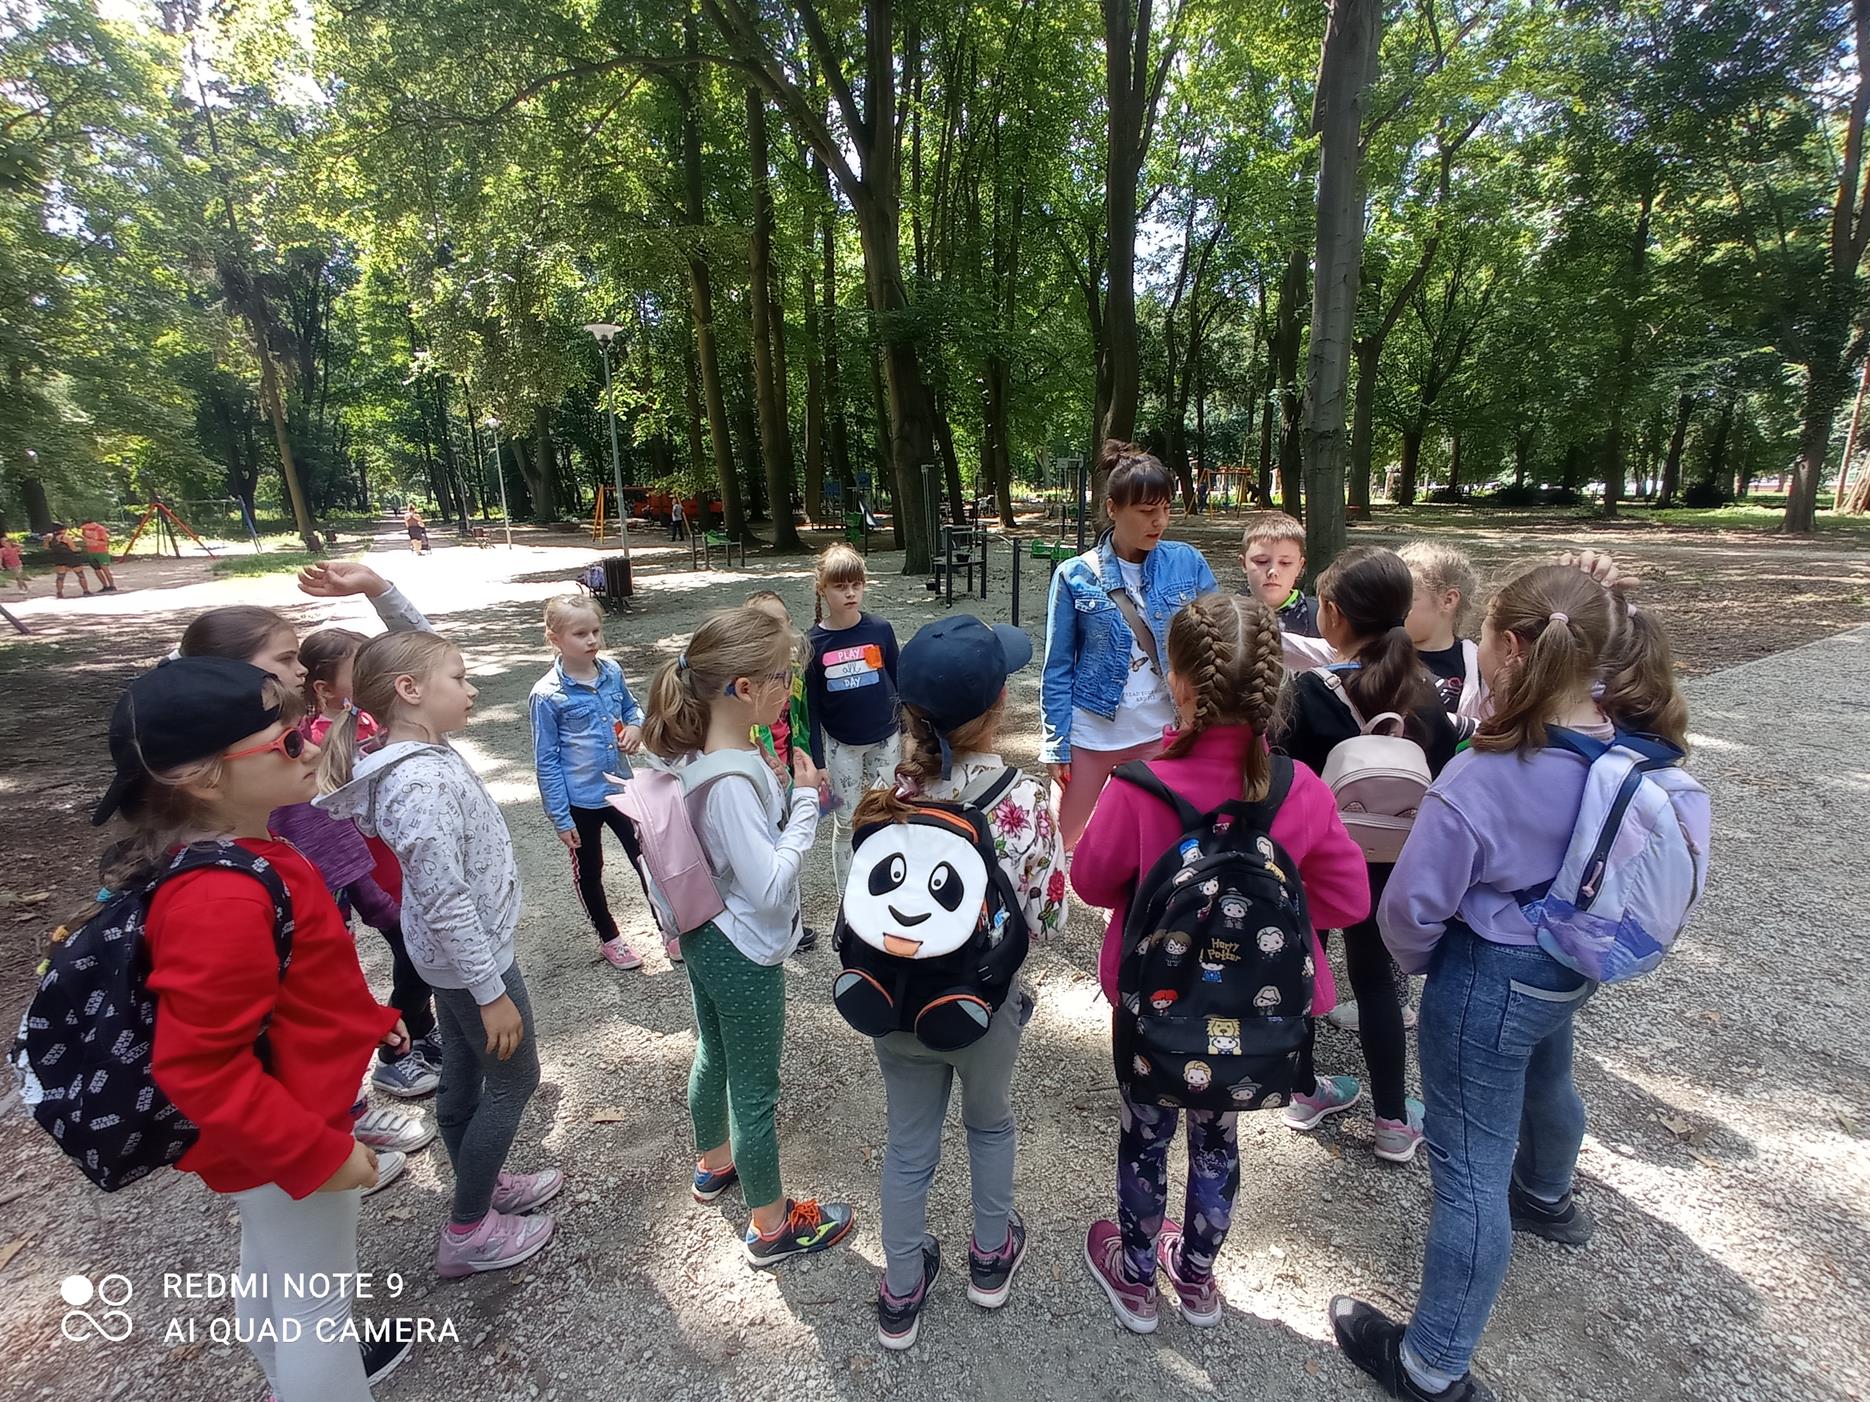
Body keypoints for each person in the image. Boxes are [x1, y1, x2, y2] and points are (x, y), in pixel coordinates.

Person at [1330, 560, 1701, 1402]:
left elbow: (1410, 909)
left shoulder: (1483, 776)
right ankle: (1546, 1194)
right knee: (1549, 1072)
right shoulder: (1624, 734)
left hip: (1488, 975)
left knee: (1468, 1168)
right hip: (1572, 956)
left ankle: (1431, 1366)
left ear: (1504, 649)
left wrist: (1433, 967)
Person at [97, 657, 412, 1399]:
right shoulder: (221, 897)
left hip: (273, 1128)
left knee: (275, 1271)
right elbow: (198, 1065)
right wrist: (316, 1154)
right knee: (317, 1307)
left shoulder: (247, 853)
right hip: (286, 1131)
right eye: (288, 740)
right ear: (205, 778)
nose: (312, 745)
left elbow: (290, 983)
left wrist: (367, 1023)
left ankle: (280, 1378)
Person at [1073, 593, 1368, 1332]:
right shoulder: (1300, 789)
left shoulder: (1139, 785)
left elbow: (1091, 881)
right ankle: (1198, 1277)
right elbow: (1348, 898)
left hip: (1153, 1005)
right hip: (1254, 1013)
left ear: (1177, 683)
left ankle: (1136, 1275)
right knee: (1218, 1139)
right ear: (1272, 688)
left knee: (1145, 1135)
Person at [320, 631, 561, 1279]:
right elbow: (446, 899)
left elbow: (414, 648)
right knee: (514, 1080)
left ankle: (480, 1183)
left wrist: (379, 589)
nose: (472, 688)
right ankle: (469, 1227)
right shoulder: (419, 784)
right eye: (459, 678)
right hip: (472, 963)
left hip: (448, 962)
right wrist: (491, 992)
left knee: (463, 1075)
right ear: (410, 691)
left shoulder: (420, 748)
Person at [855, 615, 1068, 1349]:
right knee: (991, 1124)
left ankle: (901, 1290)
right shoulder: (1023, 801)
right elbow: (1051, 920)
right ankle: (989, 1258)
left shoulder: (884, 794)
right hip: (984, 1005)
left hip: (894, 1002)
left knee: (908, 1146)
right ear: (998, 706)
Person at [179, 564, 442, 1121]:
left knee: (336, 984)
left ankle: (350, 1105)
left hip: (334, 887)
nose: (298, 670)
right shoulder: (246, 766)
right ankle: (341, 1114)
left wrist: (379, 590)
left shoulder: (313, 729)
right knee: (299, 1005)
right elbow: (207, 1058)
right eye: (285, 658)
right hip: (301, 895)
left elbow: (424, 655)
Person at [641, 606, 855, 1265]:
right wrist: (805, 803)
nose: (790, 687)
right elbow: (768, 885)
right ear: (743, 688)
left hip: (706, 933)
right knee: (755, 1092)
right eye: (782, 676)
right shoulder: (731, 779)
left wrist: (779, 788)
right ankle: (770, 1226)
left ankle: (714, 1163)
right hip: (743, 949)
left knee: (713, 1052)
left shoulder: (705, 755)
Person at [1275, 546, 1460, 1162]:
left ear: (1331, 614)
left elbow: (1285, 776)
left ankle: (1303, 1091)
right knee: (1376, 983)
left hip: (1314, 860)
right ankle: (1392, 1121)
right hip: (1389, 861)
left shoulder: (1310, 692)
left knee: (1305, 966)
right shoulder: (1426, 696)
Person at [1040, 440, 1218, 852]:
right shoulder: (1074, 575)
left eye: (1166, 508)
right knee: (1058, 842)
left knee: (1159, 843)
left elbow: (1215, 643)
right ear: (1112, 508)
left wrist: (1206, 719)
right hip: (1091, 734)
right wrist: (1055, 743)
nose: (1159, 521)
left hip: (1162, 731)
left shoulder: (1187, 562)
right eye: (1145, 510)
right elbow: (1058, 666)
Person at [301, 626, 442, 1098]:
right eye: (358, 668)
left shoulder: (369, 720)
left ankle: (421, 1034)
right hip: (378, 878)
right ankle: (394, 1056)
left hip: (404, 868)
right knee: (414, 963)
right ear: (324, 689)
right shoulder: (318, 742)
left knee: (423, 957)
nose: (371, 674)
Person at [528, 594, 658, 970]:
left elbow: (631, 707)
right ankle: (610, 937)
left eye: (596, 631)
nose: (591, 640)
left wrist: (635, 727)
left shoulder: (611, 671)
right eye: (580, 633)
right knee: (589, 870)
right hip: (580, 801)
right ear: (554, 638)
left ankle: (667, 923)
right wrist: (560, 816)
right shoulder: (547, 695)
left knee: (647, 858)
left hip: (621, 789)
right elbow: (546, 759)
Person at [805, 544, 901, 887]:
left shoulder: (880, 629)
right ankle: (846, 897)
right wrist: (818, 762)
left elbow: (898, 680)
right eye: (840, 586)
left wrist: (909, 732)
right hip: (842, 745)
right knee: (846, 823)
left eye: (856, 585)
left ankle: (888, 884)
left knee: (888, 812)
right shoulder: (812, 643)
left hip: (886, 739)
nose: (850, 593)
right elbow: (811, 708)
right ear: (822, 589)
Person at [745, 588, 821, 953]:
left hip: (790, 770)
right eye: (765, 624)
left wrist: (811, 761)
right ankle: (772, 923)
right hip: (760, 773)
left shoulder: (796, 673)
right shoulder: (745, 682)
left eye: (781, 622)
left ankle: (794, 923)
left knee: (791, 840)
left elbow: (802, 720)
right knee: (767, 845)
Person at [1399, 541, 1486, 732]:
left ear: (1448, 600)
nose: (1392, 607)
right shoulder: (1379, 652)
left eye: (1404, 598)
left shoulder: (1478, 665)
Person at [44, 527, 92, 598]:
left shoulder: (49, 538)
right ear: (62, 530)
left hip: (59, 558)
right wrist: (79, 549)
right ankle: (86, 590)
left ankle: (59, 592)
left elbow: (46, 548)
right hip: (71, 557)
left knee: (60, 577)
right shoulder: (65, 538)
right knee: (80, 575)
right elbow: (73, 549)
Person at [79, 518, 118, 591]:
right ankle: (104, 586)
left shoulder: (100, 529)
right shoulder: (84, 529)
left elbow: (105, 542)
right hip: (91, 552)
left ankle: (112, 585)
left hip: (101, 551)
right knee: (96, 569)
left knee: (105, 569)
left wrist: (92, 541)